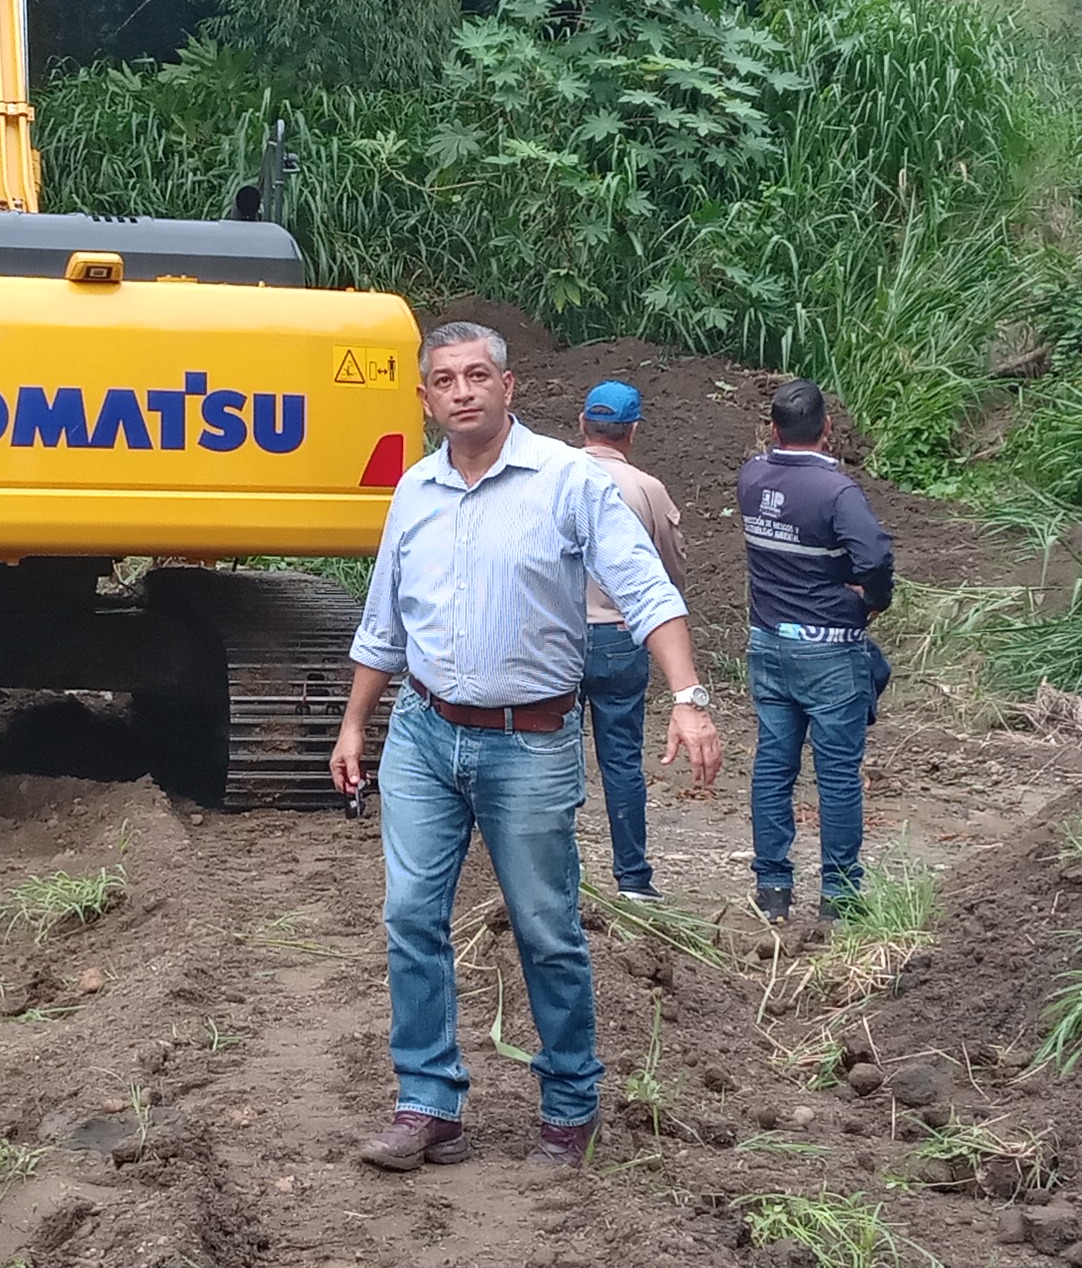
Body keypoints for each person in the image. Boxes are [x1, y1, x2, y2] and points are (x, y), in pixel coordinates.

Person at [331, 323, 723, 1173]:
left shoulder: (568, 480)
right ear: (425, 399)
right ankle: (427, 1102)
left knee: (545, 927)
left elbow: (647, 590)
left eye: (478, 375)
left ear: (508, 388)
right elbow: (383, 622)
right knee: (410, 917)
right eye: (445, 380)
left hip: (531, 742)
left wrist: (688, 699)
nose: (462, 391)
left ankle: (570, 1104)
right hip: (423, 733)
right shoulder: (415, 491)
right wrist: (356, 722)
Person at [739, 375, 895, 925]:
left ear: (773, 428)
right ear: (828, 427)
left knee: (773, 765)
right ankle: (839, 895)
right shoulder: (837, 492)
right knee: (837, 774)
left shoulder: (751, 477)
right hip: (828, 650)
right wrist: (870, 601)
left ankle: (772, 889)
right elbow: (874, 556)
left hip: (768, 643)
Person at [573, 381, 690, 898]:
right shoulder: (647, 490)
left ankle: (560, 873)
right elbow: (668, 572)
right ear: (633, 431)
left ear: (582, 423)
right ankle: (634, 878)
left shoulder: (554, 476)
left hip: (556, 640)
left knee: (553, 759)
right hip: (620, 638)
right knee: (621, 760)